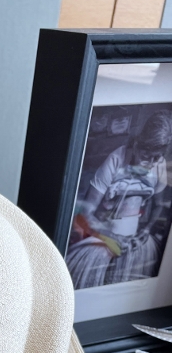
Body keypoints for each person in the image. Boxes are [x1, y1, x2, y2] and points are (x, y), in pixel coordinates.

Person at [66, 110, 172, 289]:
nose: (151, 163)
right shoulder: (116, 159)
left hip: (135, 242)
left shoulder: (158, 164)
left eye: (157, 157)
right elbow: (86, 213)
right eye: (147, 156)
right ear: (138, 144)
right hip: (103, 237)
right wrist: (112, 237)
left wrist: (145, 231)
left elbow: (159, 205)